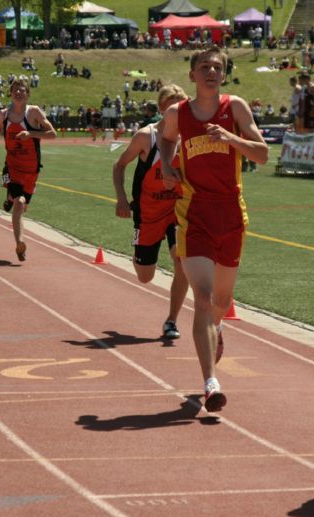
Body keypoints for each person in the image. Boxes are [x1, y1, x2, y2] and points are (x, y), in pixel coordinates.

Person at [159, 45, 268, 412]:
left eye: (217, 67)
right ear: (192, 75)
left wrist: (231, 138)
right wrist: (165, 164)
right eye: (204, 66)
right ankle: (210, 382)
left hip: (231, 215)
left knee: (220, 303)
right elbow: (164, 137)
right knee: (202, 299)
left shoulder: (234, 108)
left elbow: (263, 153)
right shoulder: (178, 113)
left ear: (224, 75)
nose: (210, 72)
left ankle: (218, 328)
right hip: (194, 214)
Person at [112, 84, 190, 340]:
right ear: (161, 109)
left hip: (177, 211)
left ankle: (171, 320)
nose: (176, 111)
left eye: (181, 105)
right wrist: (122, 199)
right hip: (148, 213)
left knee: (183, 263)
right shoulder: (147, 137)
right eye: (171, 106)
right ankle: (138, 251)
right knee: (146, 277)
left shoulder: (189, 139)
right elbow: (119, 164)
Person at [0, 79, 56, 262]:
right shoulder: (4, 113)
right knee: (19, 203)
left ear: (27, 94)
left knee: (21, 204)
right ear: (10, 93)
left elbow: (52, 134)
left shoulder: (34, 113)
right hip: (13, 166)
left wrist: (30, 133)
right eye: (15, 90)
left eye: (22, 91)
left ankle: (9, 199)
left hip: (32, 169)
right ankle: (20, 244)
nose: (18, 93)